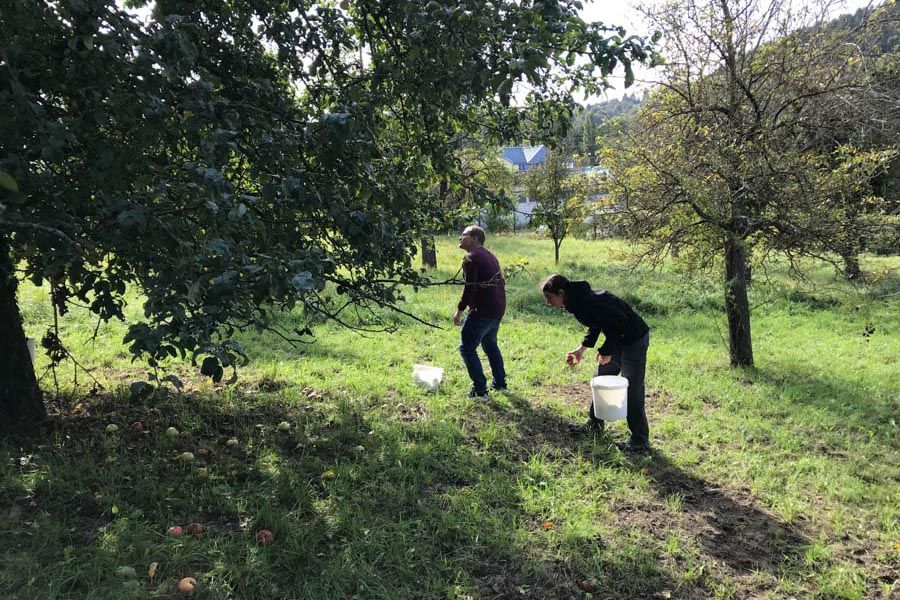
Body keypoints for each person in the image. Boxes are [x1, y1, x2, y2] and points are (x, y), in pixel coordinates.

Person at [540, 273, 651, 453]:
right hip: (618, 338)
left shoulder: (587, 301)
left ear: (561, 293)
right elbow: (597, 323)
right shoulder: (576, 300)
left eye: (549, 298)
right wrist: (581, 349)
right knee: (601, 379)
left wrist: (607, 351)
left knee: (632, 388)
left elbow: (619, 322)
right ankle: (595, 425)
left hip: (633, 338)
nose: (548, 302)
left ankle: (640, 441)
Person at [453, 225, 507, 399]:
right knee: (490, 345)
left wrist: (459, 311)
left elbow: (470, 288)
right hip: (497, 308)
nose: (460, 238)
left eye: (464, 235)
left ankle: (479, 390)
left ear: (475, 238)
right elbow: (502, 281)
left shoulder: (471, 258)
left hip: (482, 311)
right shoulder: (490, 255)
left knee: (467, 348)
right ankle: (500, 384)